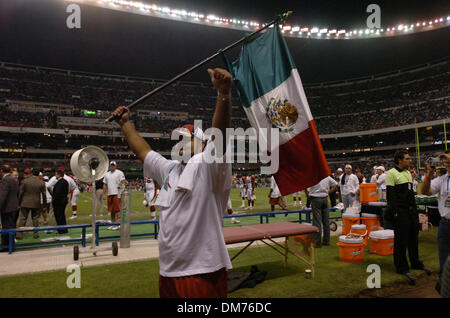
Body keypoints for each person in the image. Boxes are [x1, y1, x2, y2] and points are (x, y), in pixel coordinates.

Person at [111, 67, 233, 298]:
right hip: (169, 270)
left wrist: (224, 94)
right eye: (175, 140)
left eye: (185, 140)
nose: (178, 144)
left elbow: (221, 134)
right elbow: (143, 151)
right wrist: (125, 124)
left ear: (204, 145)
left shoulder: (209, 166)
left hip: (201, 271)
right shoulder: (170, 169)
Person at [385, 149, 430, 285]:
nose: (410, 160)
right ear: (399, 160)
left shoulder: (407, 173)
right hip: (401, 212)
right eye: (407, 158)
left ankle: (415, 262)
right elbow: (391, 197)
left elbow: (410, 194)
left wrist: (415, 210)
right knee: (401, 241)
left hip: (411, 211)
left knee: (413, 239)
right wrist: (396, 213)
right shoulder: (391, 173)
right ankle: (402, 267)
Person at [420, 151, 450, 295]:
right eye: (445, 160)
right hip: (445, 224)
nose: (447, 161)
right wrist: (429, 173)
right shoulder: (443, 179)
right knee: (444, 263)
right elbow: (425, 191)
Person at [306, 176, 338, 248]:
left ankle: (317, 242)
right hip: (325, 198)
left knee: (317, 221)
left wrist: (308, 195)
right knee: (326, 221)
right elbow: (336, 185)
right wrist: (328, 192)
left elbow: (307, 189)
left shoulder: (312, 177)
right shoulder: (326, 176)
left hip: (315, 198)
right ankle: (326, 241)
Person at [17, 169, 46, 239]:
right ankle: (36, 233)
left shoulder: (25, 181)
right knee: (35, 218)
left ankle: (19, 234)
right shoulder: (41, 182)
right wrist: (44, 204)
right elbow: (44, 194)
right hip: (36, 202)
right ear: (38, 174)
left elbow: (21, 193)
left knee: (23, 218)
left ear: (32, 173)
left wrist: (19, 202)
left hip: (25, 202)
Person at [0, 165, 19, 252]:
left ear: (1, 171)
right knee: (11, 227)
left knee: (6, 228)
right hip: (14, 207)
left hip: (7, 208)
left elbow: (3, 196)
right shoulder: (14, 180)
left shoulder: (5, 180)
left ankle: (6, 246)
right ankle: (10, 245)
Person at [103, 161, 126, 230]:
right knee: (111, 210)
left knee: (117, 210)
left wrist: (121, 192)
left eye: (113, 165)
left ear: (115, 166)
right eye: (111, 165)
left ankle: (119, 224)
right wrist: (104, 194)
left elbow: (123, 182)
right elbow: (105, 185)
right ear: (109, 166)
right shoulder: (106, 174)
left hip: (117, 193)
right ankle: (113, 224)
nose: (112, 166)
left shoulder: (119, 173)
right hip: (110, 194)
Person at [50, 169, 69, 234]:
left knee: (59, 216)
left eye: (56, 174)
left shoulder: (60, 182)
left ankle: (61, 230)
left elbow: (57, 193)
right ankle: (63, 229)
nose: (55, 175)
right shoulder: (65, 181)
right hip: (63, 201)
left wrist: (54, 200)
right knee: (62, 216)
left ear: (59, 174)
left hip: (59, 202)